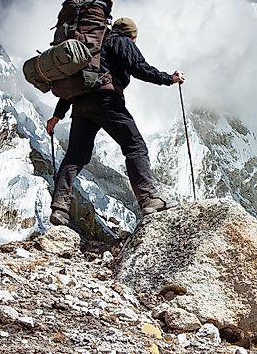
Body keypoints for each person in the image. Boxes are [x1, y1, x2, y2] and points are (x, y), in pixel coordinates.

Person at [45, 17, 185, 226]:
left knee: (75, 156)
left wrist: (57, 116)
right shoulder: (121, 41)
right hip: (107, 101)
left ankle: (59, 207)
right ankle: (148, 199)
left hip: (81, 105)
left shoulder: (91, 49)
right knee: (134, 145)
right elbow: (139, 68)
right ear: (132, 35)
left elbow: (73, 86)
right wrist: (168, 79)